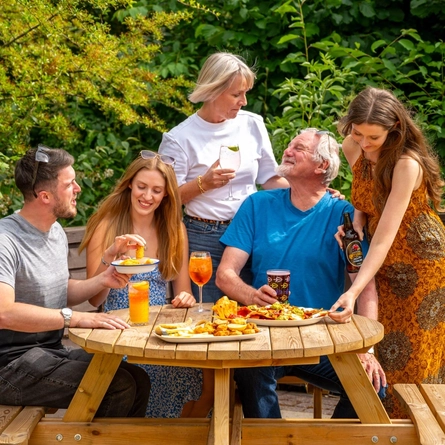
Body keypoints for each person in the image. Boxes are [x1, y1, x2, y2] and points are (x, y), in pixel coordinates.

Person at [215, 128, 386, 418]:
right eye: (290, 146)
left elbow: (365, 286)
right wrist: (253, 296)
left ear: (322, 166)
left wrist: (366, 350)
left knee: (373, 386)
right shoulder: (258, 205)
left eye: (299, 148)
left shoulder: (343, 215)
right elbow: (225, 274)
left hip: (322, 339)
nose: (287, 151)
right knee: (250, 375)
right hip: (263, 336)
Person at [0, 145, 150, 417]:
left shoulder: (54, 231)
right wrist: (77, 318)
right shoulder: (5, 240)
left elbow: (61, 289)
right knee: (119, 386)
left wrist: (105, 278)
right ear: (44, 196)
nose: (78, 188)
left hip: (48, 352)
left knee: (136, 378)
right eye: (70, 184)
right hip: (9, 366)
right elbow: (4, 313)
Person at [331, 87, 445, 418]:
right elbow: (367, 199)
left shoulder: (407, 164)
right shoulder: (351, 145)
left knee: (408, 360)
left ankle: (417, 429)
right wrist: (356, 220)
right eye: (358, 133)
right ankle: (379, 428)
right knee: (380, 351)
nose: (364, 144)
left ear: (394, 127)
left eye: (374, 137)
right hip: (383, 259)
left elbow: (384, 237)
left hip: (420, 263)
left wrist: (352, 291)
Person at [79, 151, 214, 418]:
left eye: (156, 190)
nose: (147, 196)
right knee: (159, 370)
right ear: (130, 184)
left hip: (159, 326)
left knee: (207, 372)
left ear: (166, 195)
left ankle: (175, 435)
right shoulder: (106, 227)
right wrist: (112, 260)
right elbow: (95, 300)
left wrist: (185, 298)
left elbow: (183, 290)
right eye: (141, 187)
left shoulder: (174, 228)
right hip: (119, 328)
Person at [158, 52, 289, 302]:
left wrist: (315, 195)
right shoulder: (179, 138)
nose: (244, 101)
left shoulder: (252, 124)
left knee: (262, 314)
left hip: (254, 233)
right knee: (212, 319)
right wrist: (202, 184)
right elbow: (165, 199)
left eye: (246, 93)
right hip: (205, 237)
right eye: (237, 94)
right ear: (213, 90)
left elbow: (270, 179)